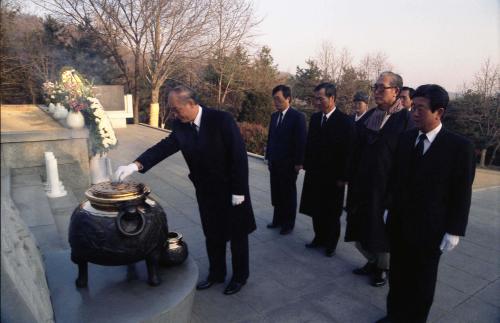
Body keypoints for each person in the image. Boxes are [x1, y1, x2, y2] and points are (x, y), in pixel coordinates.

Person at [114, 85, 256, 295]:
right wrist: (136, 165)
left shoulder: (221, 120)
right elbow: (164, 147)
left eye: (175, 109)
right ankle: (216, 274)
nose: (173, 113)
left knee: (237, 236)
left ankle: (239, 277)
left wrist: (239, 190)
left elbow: (238, 156)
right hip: (206, 191)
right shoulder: (181, 125)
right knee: (212, 234)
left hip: (231, 190)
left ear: (191, 104)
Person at [377, 84, 475, 323]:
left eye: (421, 108)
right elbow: (395, 177)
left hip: (431, 229)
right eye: (413, 107)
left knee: (421, 282)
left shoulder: (459, 147)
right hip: (400, 223)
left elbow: (462, 192)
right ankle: (394, 315)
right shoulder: (407, 138)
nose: (414, 113)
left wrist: (454, 230)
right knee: (398, 275)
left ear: (438, 112)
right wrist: (388, 207)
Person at [345, 71, 414, 287]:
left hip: (385, 190)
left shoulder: (406, 120)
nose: (375, 91)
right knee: (358, 228)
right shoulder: (370, 116)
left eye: (381, 87)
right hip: (362, 186)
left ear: (396, 91)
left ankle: (382, 268)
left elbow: (407, 162)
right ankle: (371, 261)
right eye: (374, 87)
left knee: (379, 233)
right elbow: (355, 148)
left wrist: (395, 196)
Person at [299, 82, 356, 257]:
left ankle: (331, 243)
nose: (316, 102)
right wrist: (305, 164)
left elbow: (349, 152)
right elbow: (309, 144)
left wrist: (343, 177)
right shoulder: (316, 119)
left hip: (334, 177)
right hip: (315, 173)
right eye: (315, 98)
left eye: (320, 98)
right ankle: (319, 237)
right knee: (316, 208)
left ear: (332, 98)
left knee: (331, 212)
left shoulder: (345, 121)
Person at [265, 85, 307, 235]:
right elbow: (271, 138)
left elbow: (301, 141)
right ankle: (277, 219)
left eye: (278, 99)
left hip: (289, 165)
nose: (275, 102)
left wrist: (298, 162)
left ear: (288, 98)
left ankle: (288, 223)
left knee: (287, 194)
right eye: (274, 99)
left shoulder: (298, 117)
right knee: (276, 192)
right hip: (274, 162)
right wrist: (268, 156)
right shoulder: (274, 116)